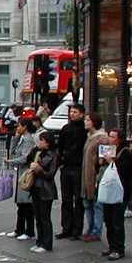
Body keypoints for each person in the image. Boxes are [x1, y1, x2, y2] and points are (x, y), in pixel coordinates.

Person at [55, 102, 87, 241]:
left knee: (78, 200)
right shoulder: (66, 128)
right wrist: (60, 162)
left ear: (81, 114)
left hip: (79, 167)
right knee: (66, 199)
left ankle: (77, 229)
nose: (72, 114)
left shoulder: (84, 130)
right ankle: (66, 228)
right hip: (66, 166)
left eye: (75, 112)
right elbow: (60, 147)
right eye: (71, 112)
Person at [100, 128, 132, 261]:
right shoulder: (109, 149)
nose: (110, 138)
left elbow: (125, 171)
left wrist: (112, 162)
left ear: (119, 138)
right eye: (109, 136)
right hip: (108, 190)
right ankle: (111, 246)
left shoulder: (125, 152)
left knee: (117, 221)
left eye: (113, 137)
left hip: (120, 191)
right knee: (108, 219)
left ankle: (119, 249)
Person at [3, 118, 37, 240]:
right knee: (21, 204)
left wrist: (10, 162)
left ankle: (29, 231)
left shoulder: (28, 140)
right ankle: (19, 229)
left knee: (26, 204)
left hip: (26, 173)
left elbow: (25, 158)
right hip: (21, 173)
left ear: (25, 127)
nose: (17, 128)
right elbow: (12, 151)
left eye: (19, 126)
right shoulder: (22, 138)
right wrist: (16, 137)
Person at [27, 131, 59, 253]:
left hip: (46, 190)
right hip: (35, 188)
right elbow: (28, 159)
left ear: (48, 143)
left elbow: (50, 174)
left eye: (42, 140)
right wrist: (35, 148)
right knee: (38, 217)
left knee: (45, 217)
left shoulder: (53, 155)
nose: (39, 142)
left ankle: (47, 244)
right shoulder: (38, 152)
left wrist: (39, 170)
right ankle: (39, 241)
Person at [81, 111, 109, 242]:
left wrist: (99, 177)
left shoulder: (102, 138)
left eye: (88, 120)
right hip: (86, 176)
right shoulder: (89, 137)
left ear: (94, 122)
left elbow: (104, 160)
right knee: (88, 204)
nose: (85, 122)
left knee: (97, 205)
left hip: (96, 177)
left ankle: (96, 231)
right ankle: (90, 228)